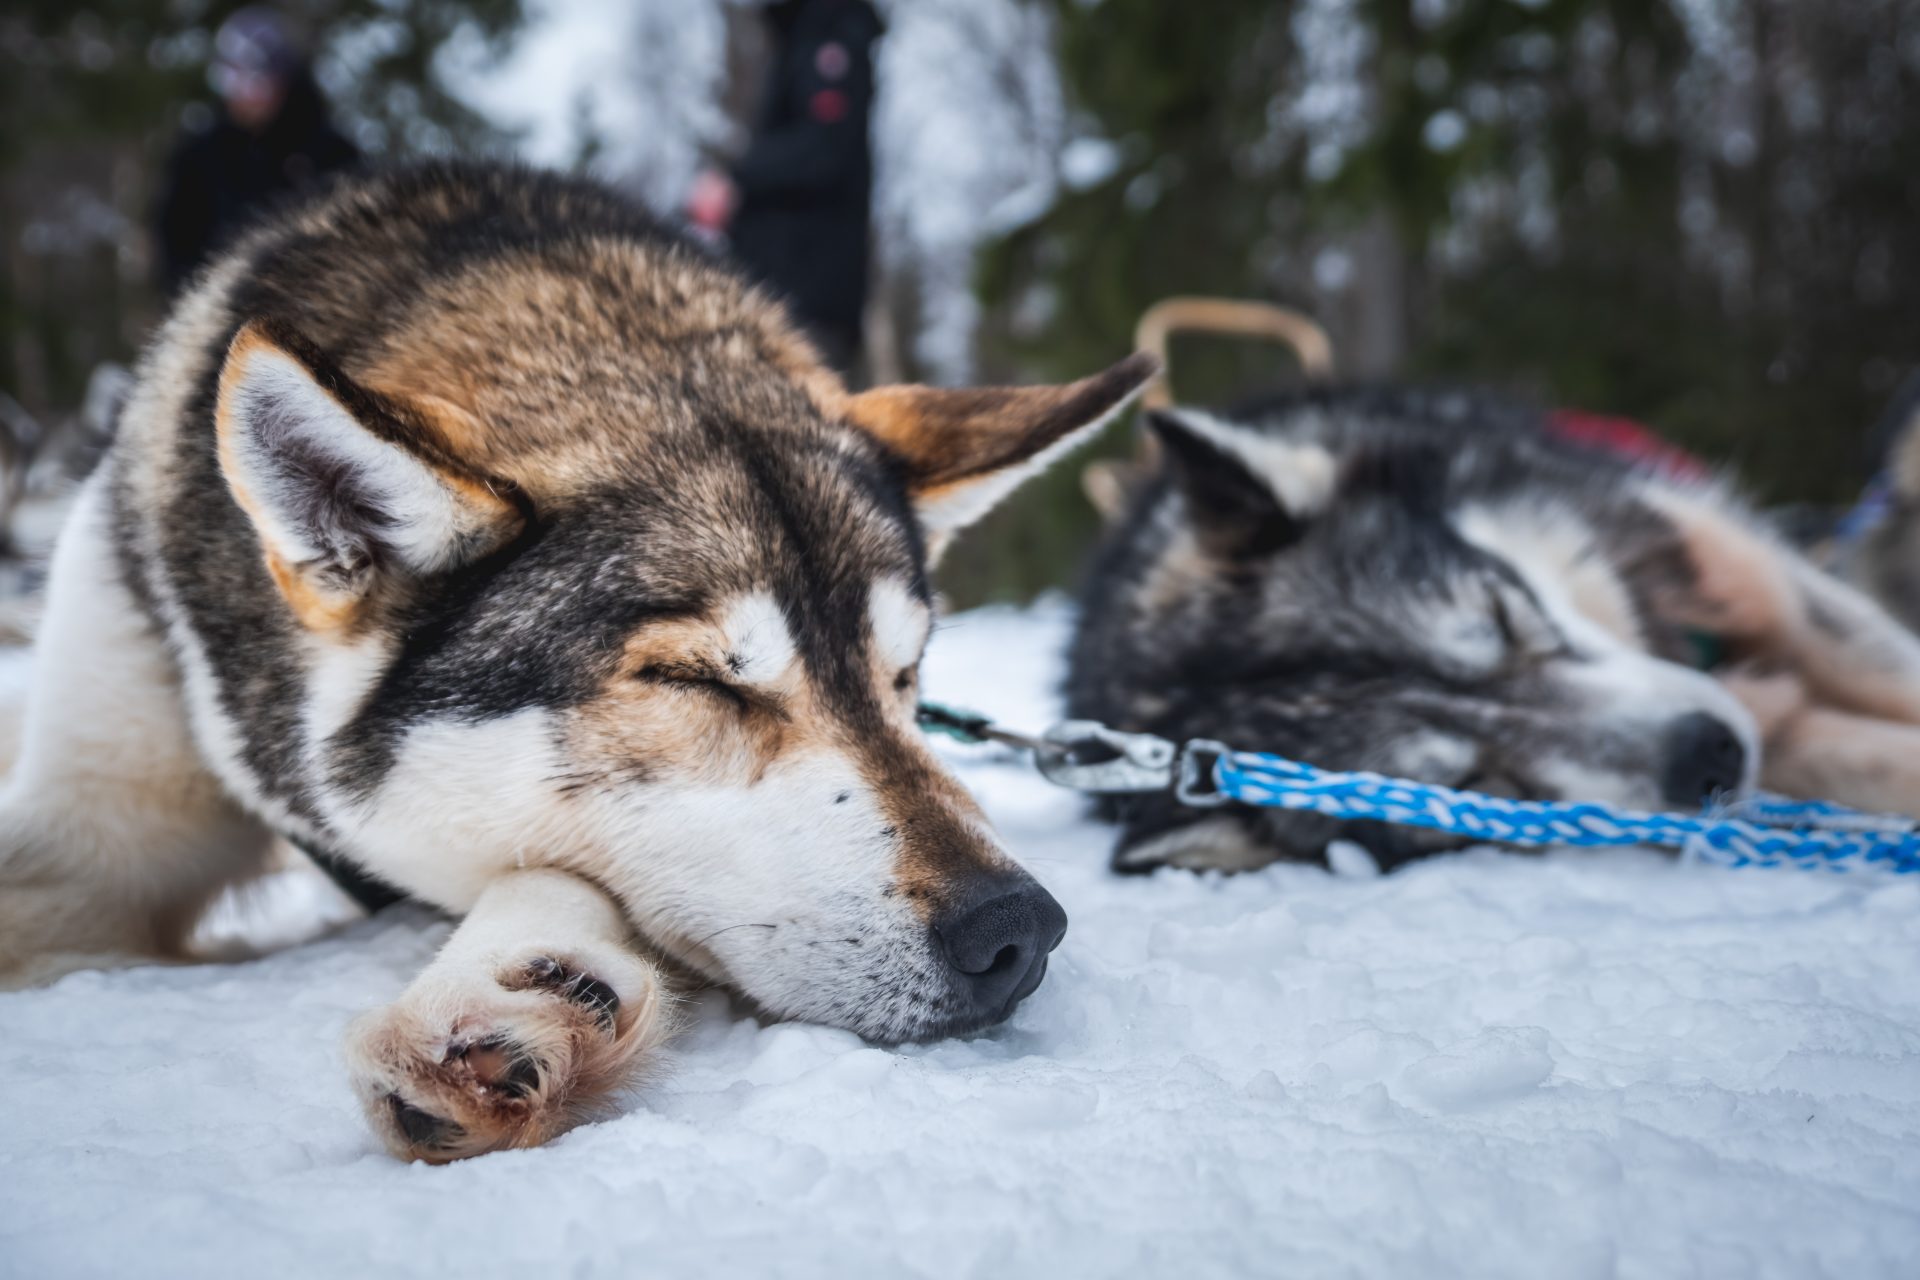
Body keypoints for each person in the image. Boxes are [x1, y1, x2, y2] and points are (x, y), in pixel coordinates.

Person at [688, 0, 882, 373]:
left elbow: (824, 150)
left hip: (807, 306)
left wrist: (735, 182)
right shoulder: (798, 40)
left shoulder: (832, 41)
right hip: (778, 300)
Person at [154, 8, 360, 296]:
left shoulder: (331, 154)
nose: (243, 97)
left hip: (313, 304)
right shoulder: (200, 158)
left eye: (254, 83)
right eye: (232, 82)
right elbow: (176, 245)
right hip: (223, 307)